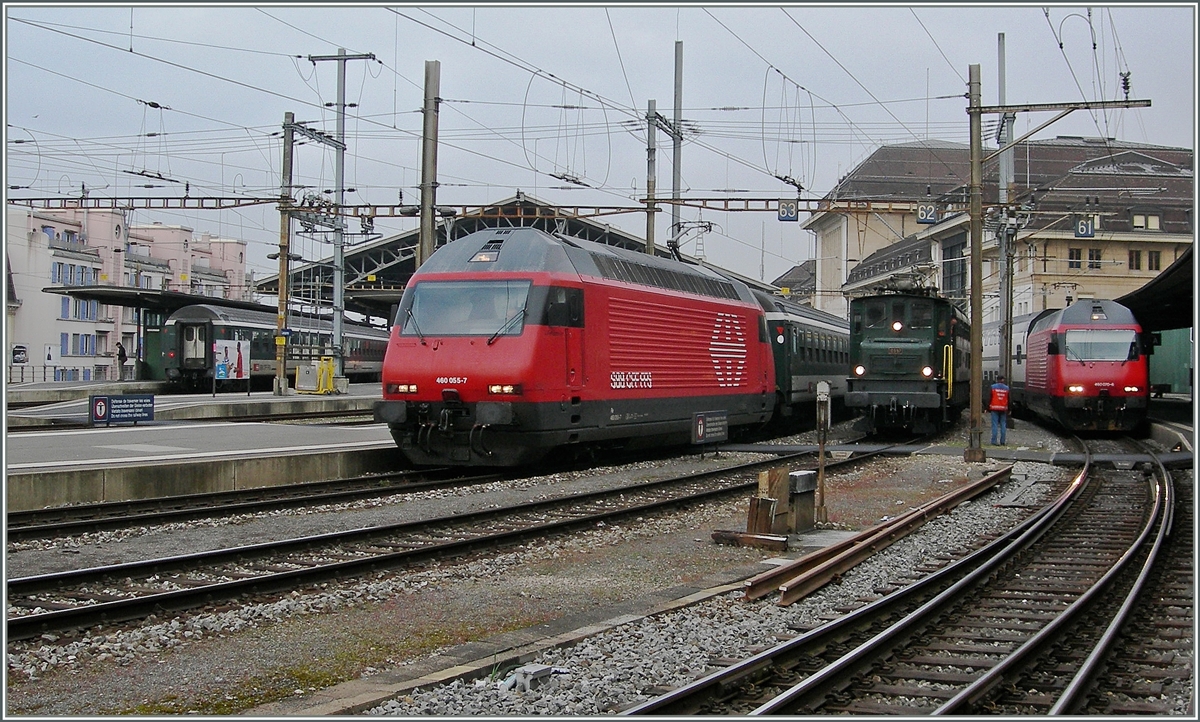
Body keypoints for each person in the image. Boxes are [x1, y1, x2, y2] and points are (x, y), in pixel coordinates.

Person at [989, 374, 1010, 446]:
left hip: (994, 408)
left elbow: (989, 398)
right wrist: (1009, 409)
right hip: (1003, 409)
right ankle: (1002, 441)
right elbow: (1009, 399)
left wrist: (986, 407)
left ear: (997, 379)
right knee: (1003, 425)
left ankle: (994, 441)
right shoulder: (1007, 388)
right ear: (1003, 380)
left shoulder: (993, 387)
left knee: (995, 425)